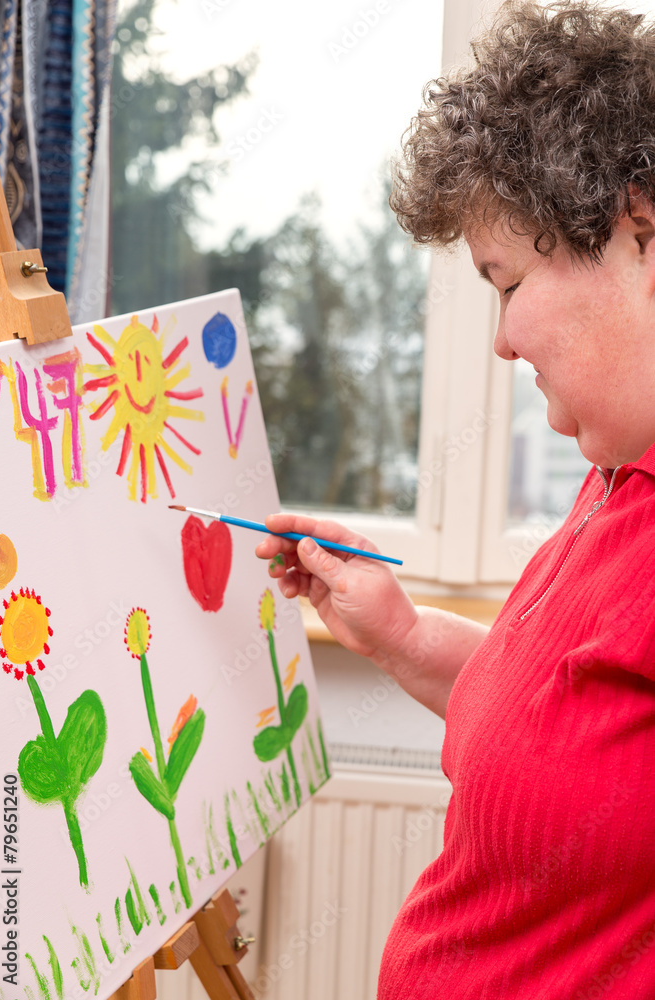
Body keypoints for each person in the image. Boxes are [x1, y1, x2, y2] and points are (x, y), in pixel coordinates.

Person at [257, 1, 655, 996]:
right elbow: (573, 734)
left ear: (638, 232)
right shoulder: (615, 481)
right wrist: (396, 634)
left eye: (505, 282)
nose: (501, 341)